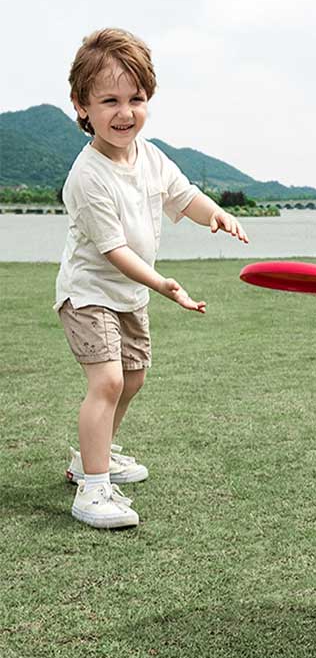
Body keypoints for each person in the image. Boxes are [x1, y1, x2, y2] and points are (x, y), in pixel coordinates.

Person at [55, 28, 249, 530]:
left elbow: (183, 196)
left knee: (133, 378)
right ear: (82, 106)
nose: (125, 113)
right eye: (109, 101)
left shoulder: (152, 156)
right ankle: (94, 490)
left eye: (136, 99)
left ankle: (89, 457)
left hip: (128, 296)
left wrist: (215, 216)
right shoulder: (87, 176)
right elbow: (115, 250)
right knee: (109, 380)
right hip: (89, 294)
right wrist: (164, 284)